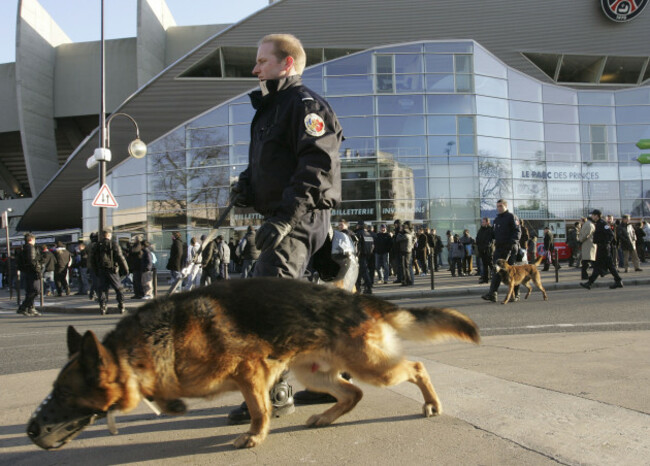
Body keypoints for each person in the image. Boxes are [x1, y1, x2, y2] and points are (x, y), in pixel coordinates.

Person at [228, 33, 342, 423]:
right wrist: (246, 185)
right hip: (284, 216)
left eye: (262, 61)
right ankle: (327, 380)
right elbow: (271, 163)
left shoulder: (304, 105)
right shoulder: (273, 108)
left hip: (299, 215)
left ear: (286, 63)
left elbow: (315, 165)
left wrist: (283, 218)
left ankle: (275, 393)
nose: (255, 68)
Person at [481, 199, 521, 303]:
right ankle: (492, 294)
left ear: (505, 206)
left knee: (511, 273)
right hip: (499, 249)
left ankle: (516, 294)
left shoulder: (512, 217)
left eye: (500, 206)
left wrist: (512, 243)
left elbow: (517, 232)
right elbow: (494, 234)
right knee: (496, 271)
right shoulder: (497, 219)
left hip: (510, 249)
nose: (498, 208)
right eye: (497, 206)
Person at [581, 209, 623, 290]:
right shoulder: (598, 223)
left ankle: (618, 280)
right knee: (601, 266)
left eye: (593, 215)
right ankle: (590, 283)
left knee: (604, 266)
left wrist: (605, 243)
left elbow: (610, 235)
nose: (592, 217)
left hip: (604, 248)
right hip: (600, 248)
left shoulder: (603, 224)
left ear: (596, 216)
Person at [93, 227, 129, 315]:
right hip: (112, 270)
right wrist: (126, 269)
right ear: (109, 235)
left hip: (101, 270)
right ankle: (121, 305)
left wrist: (96, 271)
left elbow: (93, 260)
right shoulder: (114, 244)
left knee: (102, 289)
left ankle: (103, 306)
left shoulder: (97, 245)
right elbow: (120, 257)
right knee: (118, 288)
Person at [17, 233, 42, 317]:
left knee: (31, 291)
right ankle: (25, 307)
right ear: (31, 239)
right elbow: (32, 260)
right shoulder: (30, 247)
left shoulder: (23, 248)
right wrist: (38, 269)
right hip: (32, 272)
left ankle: (29, 307)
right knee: (36, 290)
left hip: (27, 272)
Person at [354, 222, 374, 294]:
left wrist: (356, 255)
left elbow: (357, 246)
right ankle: (358, 287)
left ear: (359, 226)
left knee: (364, 271)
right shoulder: (368, 234)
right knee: (361, 271)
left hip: (361, 255)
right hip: (368, 255)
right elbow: (372, 245)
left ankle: (368, 287)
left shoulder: (358, 233)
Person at [476, 218, 495, 284]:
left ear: (487, 222)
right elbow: (478, 238)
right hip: (481, 250)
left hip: (488, 250)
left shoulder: (490, 229)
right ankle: (485, 279)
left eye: (483, 222)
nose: (482, 223)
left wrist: (486, 246)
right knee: (484, 265)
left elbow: (490, 240)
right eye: (482, 222)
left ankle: (496, 278)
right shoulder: (481, 230)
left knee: (491, 264)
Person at [396, 221, 415, 286]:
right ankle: (408, 280)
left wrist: (399, 232)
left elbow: (397, 239)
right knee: (406, 266)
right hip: (408, 251)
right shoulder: (409, 234)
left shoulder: (406, 235)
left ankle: (407, 281)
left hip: (406, 251)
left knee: (406, 267)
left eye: (401, 228)